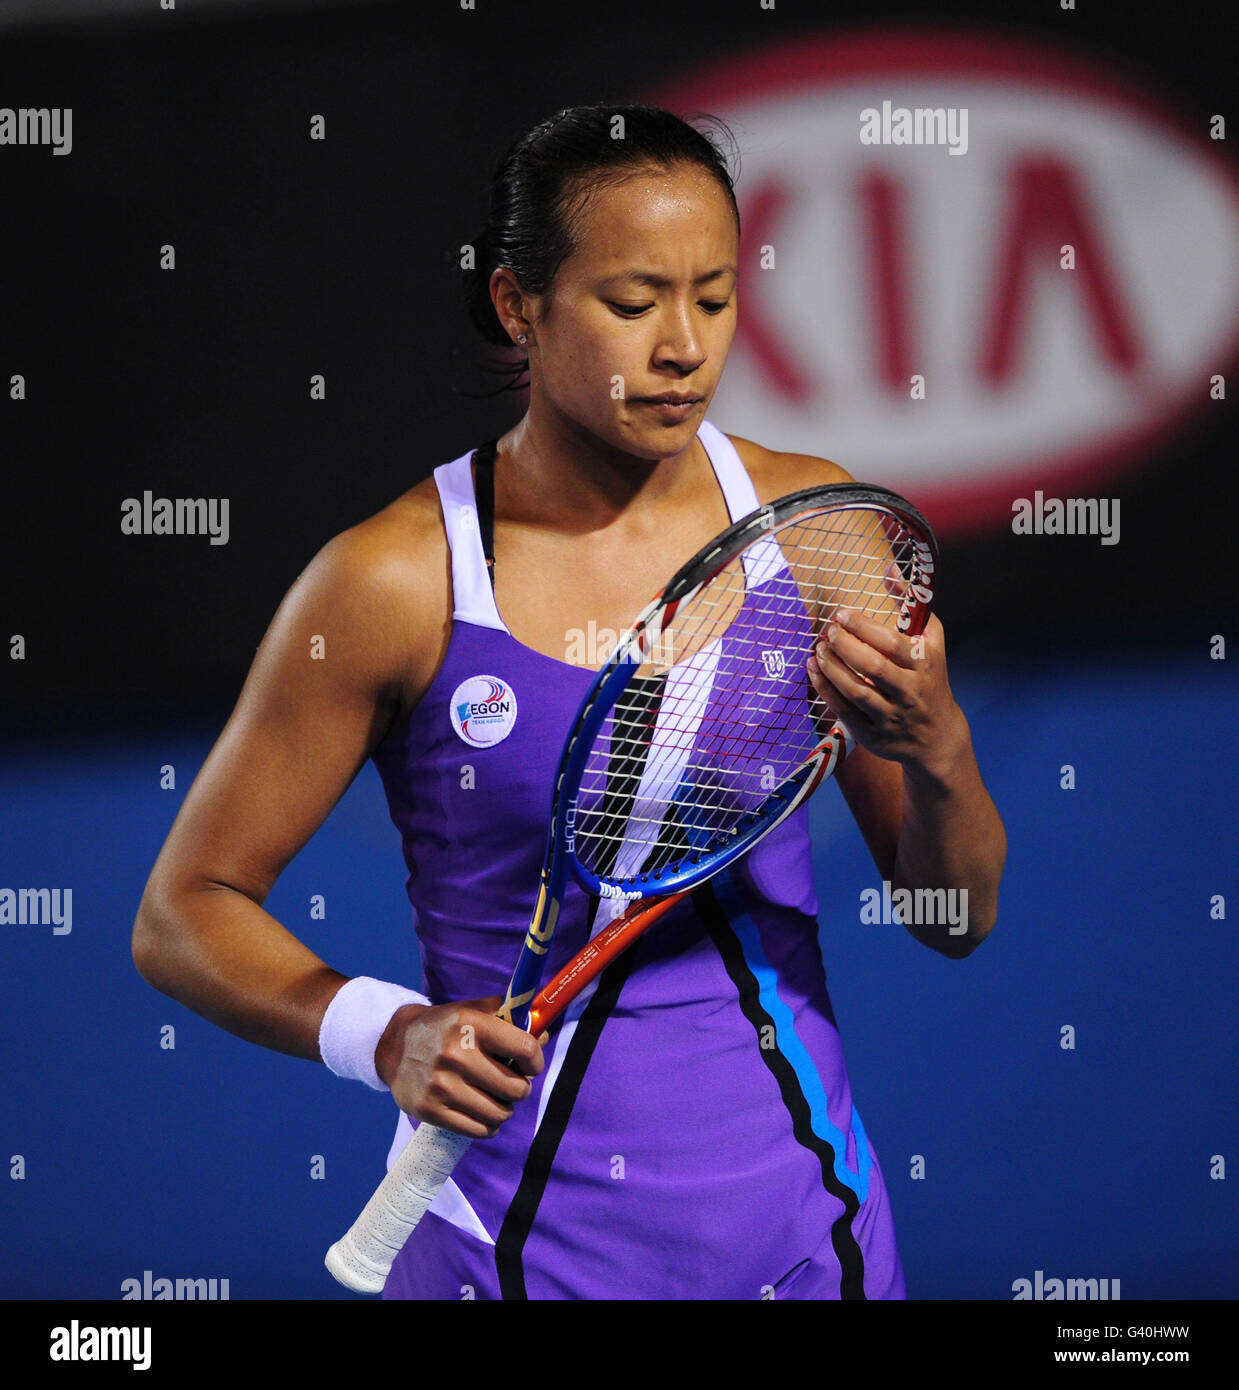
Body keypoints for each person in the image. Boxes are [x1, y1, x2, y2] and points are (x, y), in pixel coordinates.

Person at [132, 103, 1006, 1300]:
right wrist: (385, 1031)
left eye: (714, 295)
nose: (685, 345)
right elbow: (184, 911)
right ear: (517, 307)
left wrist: (941, 746)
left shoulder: (816, 534)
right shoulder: (393, 581)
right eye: (634, 302)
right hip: (503, 1254)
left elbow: (952, 915)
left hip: (809, 1239)